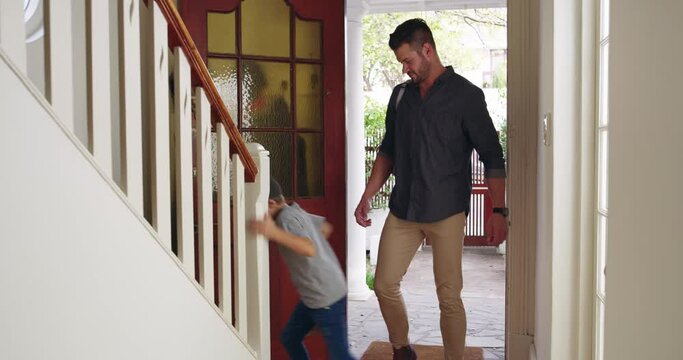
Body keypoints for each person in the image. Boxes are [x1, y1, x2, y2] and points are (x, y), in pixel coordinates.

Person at [354, 19, 508, 360]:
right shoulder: (400, 97)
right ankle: (401, 347)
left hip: (447, 211)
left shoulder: (467, 96)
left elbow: (493, 156)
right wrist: (367, 194)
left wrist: (499, 211)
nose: (405, 69)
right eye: (401, 64)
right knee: (383, 284)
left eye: (408, 61)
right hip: (404, 209)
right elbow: (387, 151)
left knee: (449, 296)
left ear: (428, 50)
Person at [249, 179, 355, 360]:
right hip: (314, 296)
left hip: (325, 297)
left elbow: (309, 248)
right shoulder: (295, 210)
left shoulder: (285, 218)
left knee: (340, 356)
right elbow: (325, 227)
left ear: (271, 204)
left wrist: (274, 233)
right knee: (290, 338)